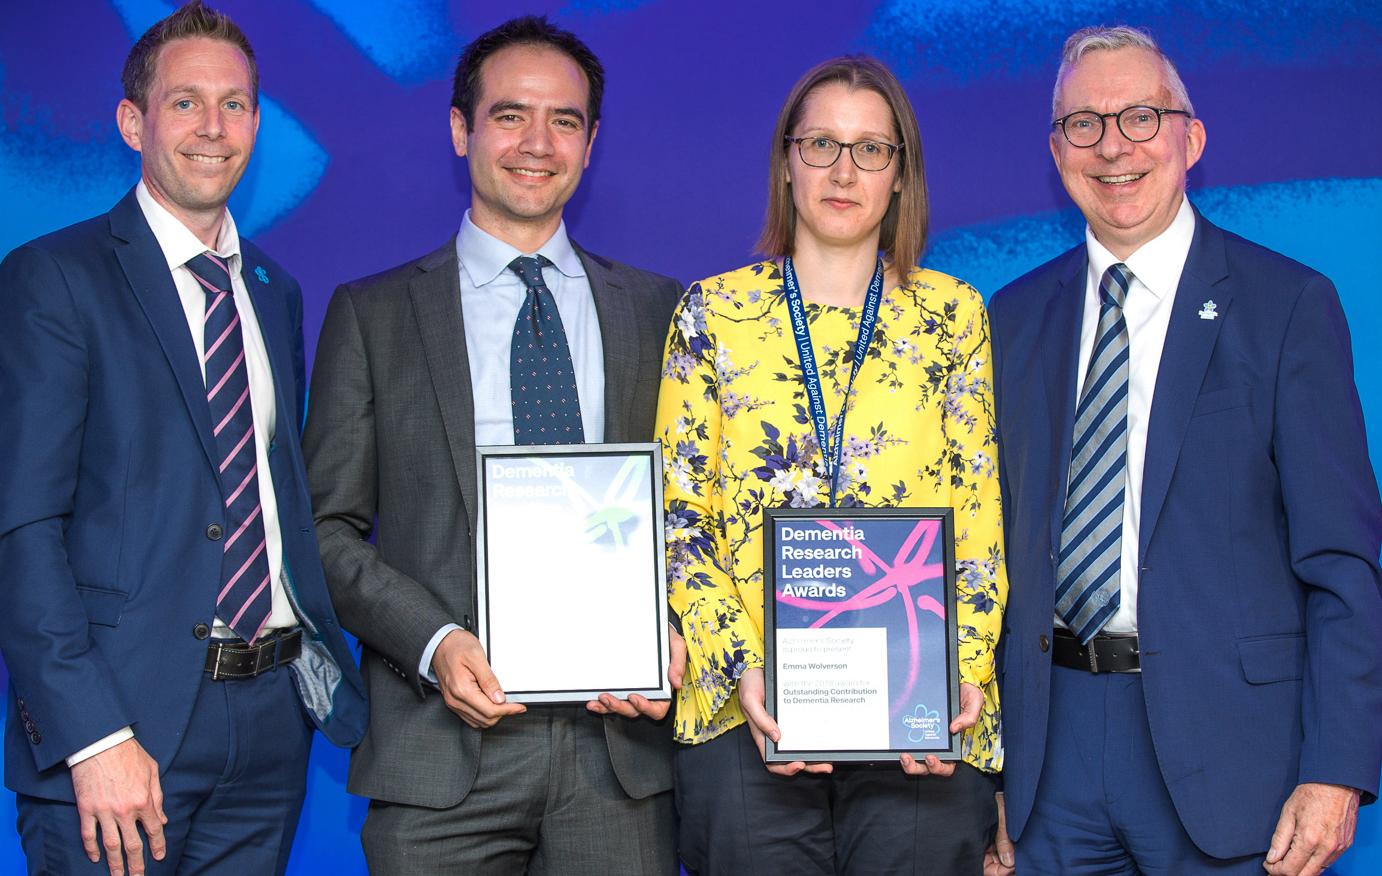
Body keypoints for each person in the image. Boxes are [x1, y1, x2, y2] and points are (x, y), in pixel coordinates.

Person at [988, 25, 1382, 876]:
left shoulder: (1287, 307)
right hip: (1048, 759)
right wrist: (990, 769)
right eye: (1084, 124)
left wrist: (1336, 769)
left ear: (1190, 138)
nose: (1114, 146)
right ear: (1057, 151)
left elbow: (1344, 565)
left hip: (1234, 760)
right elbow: (991, 551)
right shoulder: (1010, 320)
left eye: (1141, 115)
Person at [302, 15, 680, 875]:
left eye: (566, 121)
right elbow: (322, 529)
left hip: (618, 759)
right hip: (438, 753)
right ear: (460, 129)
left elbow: (703, 514)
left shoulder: (664, 313)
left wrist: (680, 627)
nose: (537, 143)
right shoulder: (374, 315)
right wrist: (433, 643)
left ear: (591, 144)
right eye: (510, 115)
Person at [0, 3, 368, 875]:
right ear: (133, 122)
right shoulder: (54, 278)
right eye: (185, 102)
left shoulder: (275, 290)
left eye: (236, 104)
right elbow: (22, 528)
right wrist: (92, 734)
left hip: (272, 731)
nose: (214, 127)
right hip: (124, 733)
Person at [656, 55, 1007, 874]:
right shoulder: (712, 312)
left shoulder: (954, 316)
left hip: (921, 710)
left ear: (900, 176)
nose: (844, 171)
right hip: (749, 716)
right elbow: (680, 517)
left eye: (870, 150)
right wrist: (745, 667)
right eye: (820, 144)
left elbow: (979, 514)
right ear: (786, 164)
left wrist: (954, 672)